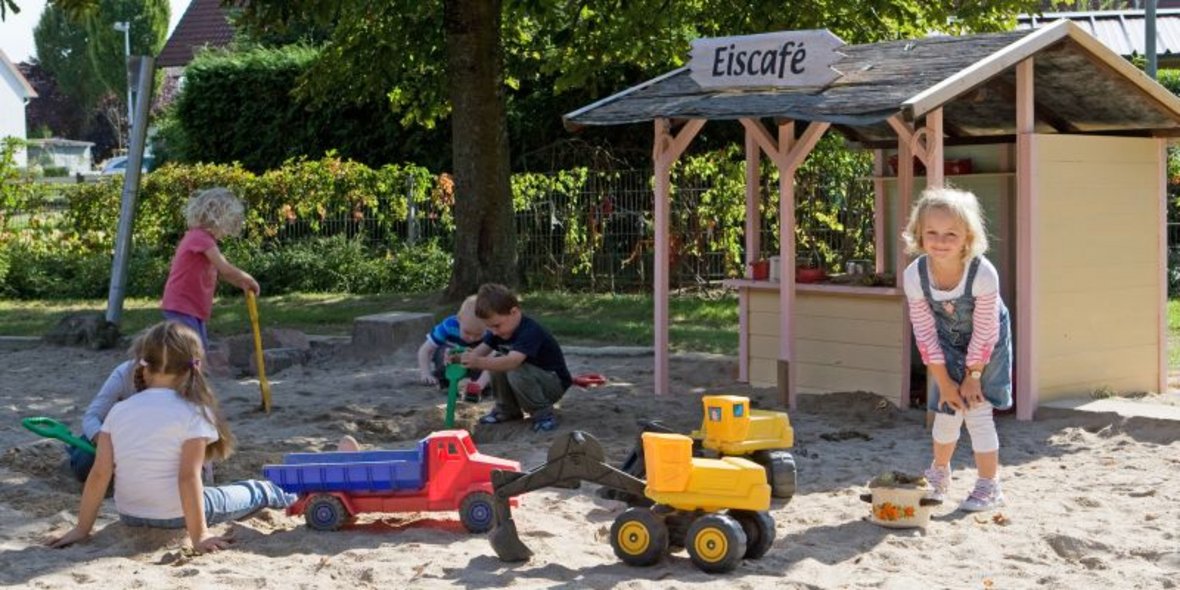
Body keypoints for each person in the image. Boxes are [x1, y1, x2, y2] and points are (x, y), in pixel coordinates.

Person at [45, 322, 296, 553]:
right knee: (257, 490)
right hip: (176, 515)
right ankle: (295, 495)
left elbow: (100, 474)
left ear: (144, 365)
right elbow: (188, 477)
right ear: (194, 367)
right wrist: (199, 537)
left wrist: (82, 529)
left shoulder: (119, 411)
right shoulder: (194, 411)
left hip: (129, 514)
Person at [902, 187, 1012, 513]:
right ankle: (939, 474)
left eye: (951, 233)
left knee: (976, 411)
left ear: (967, 236)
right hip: (944, 344)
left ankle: (989, 486)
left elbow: (985, 331)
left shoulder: (982, 273)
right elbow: (924, 332)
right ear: (919, 234)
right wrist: (946, 383)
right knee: (948, 409)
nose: (940, 240)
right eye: (932, 232)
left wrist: (973, 376)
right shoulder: (914, 276)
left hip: (987, 344)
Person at [460, 283, 571, 433]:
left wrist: (480, 362)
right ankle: (507, 410)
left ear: (514, 312)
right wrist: (458, 358)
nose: (493, 332)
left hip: (551, 384)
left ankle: (543, 414)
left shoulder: (530, 331)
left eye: (497, 325)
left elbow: (513, 362)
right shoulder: (498, 332)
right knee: (496, 362)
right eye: (489, 327)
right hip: (527, 381)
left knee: (511, 367)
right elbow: (477, 354)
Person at [161, 187, 260, 352]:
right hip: (182, 305)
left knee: (198, 350)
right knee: (192, 352)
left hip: (191, 306)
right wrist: (248, 279)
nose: (228, 230)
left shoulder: (203, 239)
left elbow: (221, 271)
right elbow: (225, 268)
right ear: (218, 218)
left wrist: (241, 283)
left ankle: (192, 377)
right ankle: (186, 377)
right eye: (229, 223)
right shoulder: (200, 238)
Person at [65, 336, 145, 482]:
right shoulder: (124, 374)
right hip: (114, 436)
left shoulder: (178, 384)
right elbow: (91, 417)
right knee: (84, 465)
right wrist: (106, 445)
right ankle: (76, 448)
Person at [416, 295, 490, 401]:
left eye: (478, 334)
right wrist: (425, 373)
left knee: (492, 359)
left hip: (475, 364)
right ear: (459, 319)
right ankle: (444, 381)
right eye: (467, 332)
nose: (472, 338)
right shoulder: (448, 326)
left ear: (487, 326)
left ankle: (477, 383)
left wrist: (479, 384)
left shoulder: (490, 333)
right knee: (442, 351)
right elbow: (425, 350)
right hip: (449, 361)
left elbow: (493, 360)